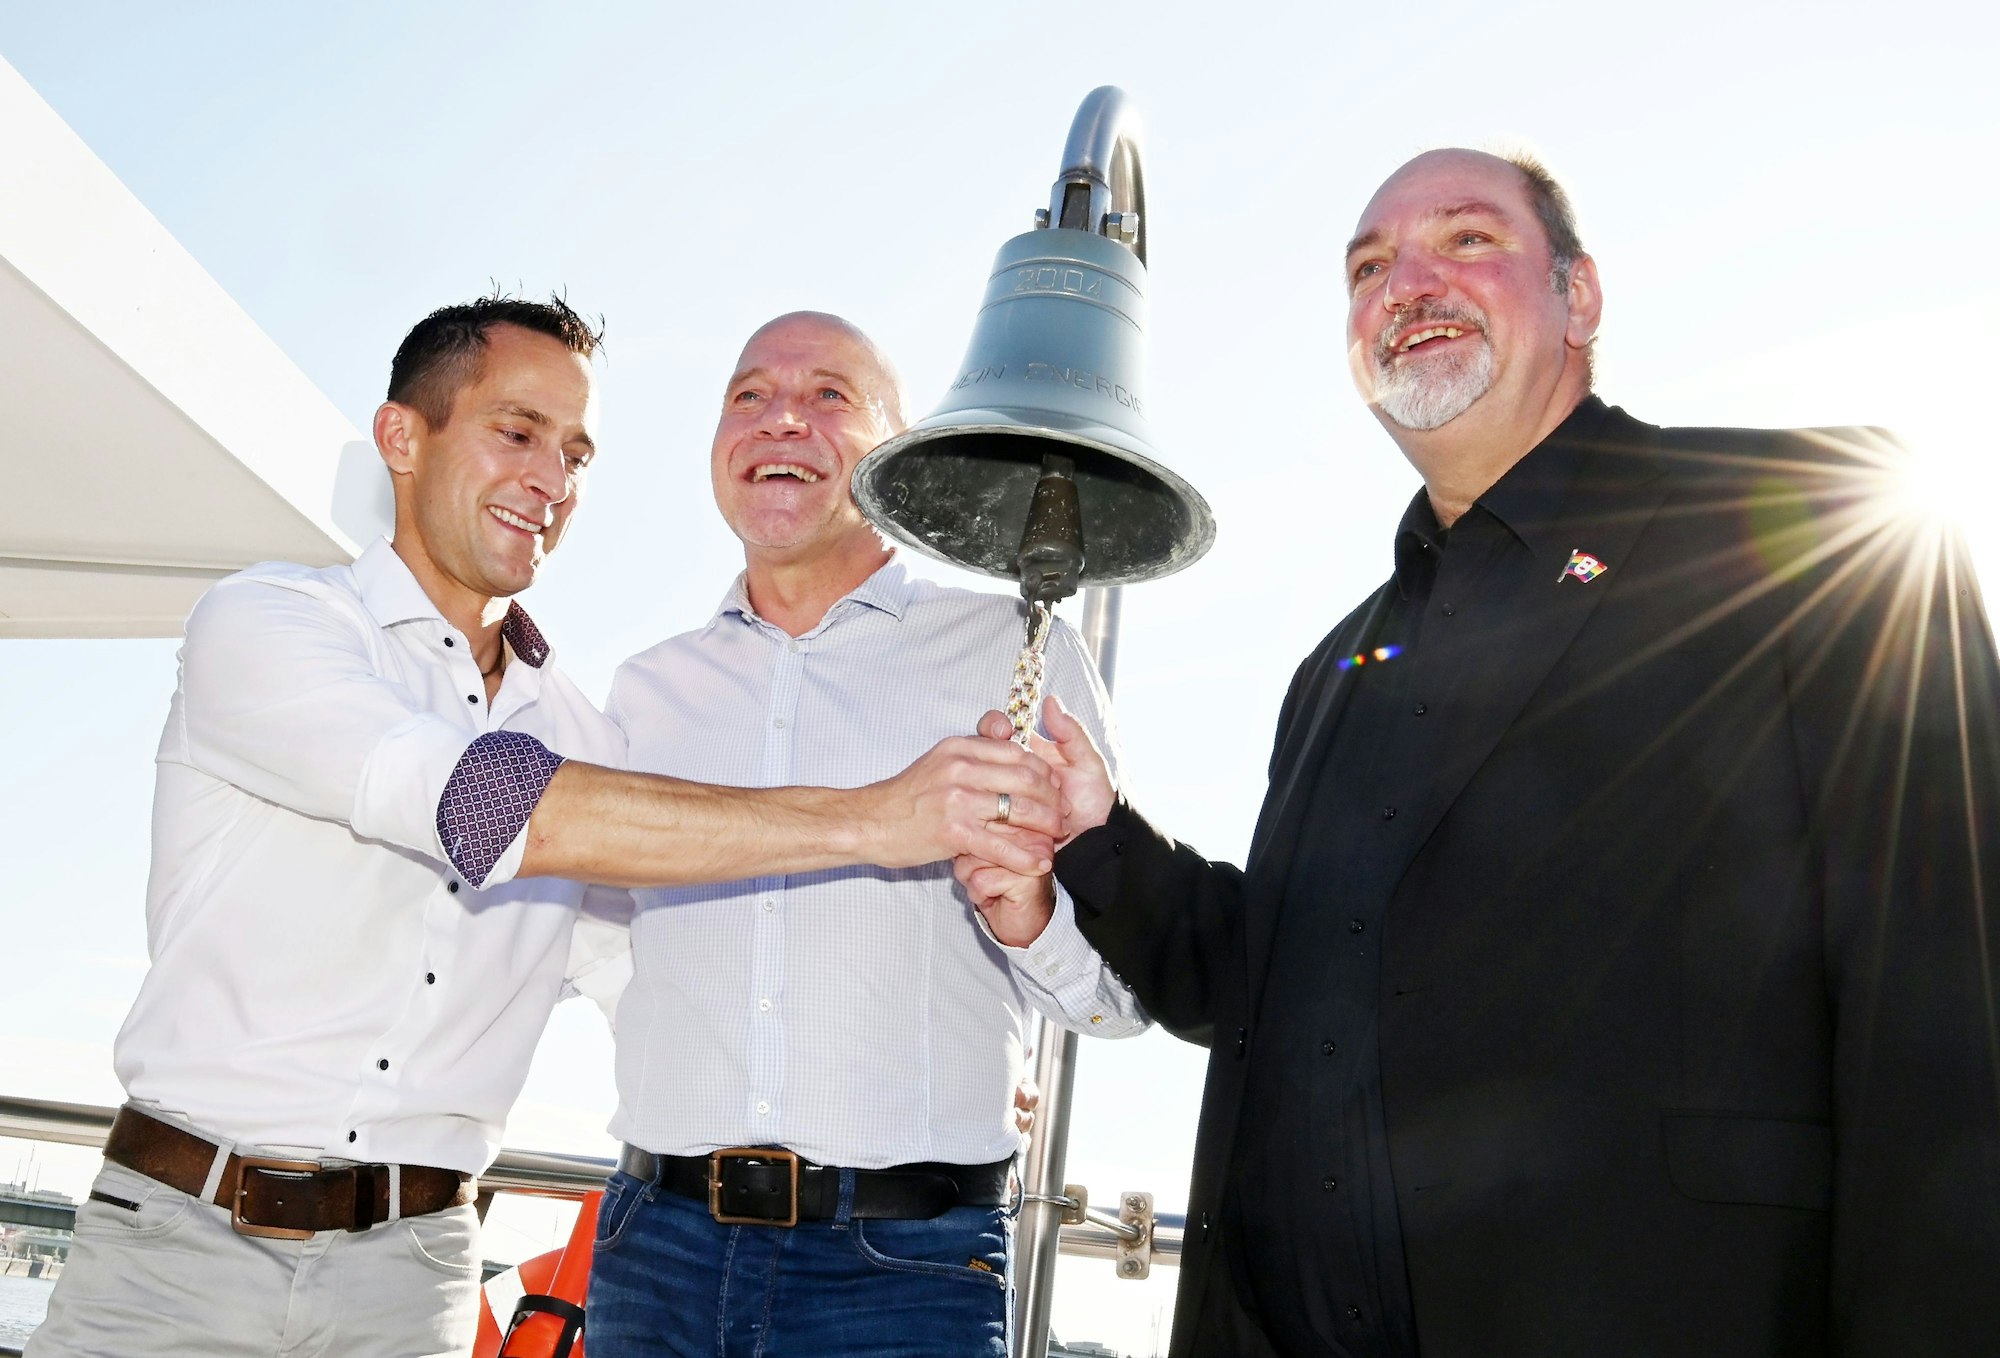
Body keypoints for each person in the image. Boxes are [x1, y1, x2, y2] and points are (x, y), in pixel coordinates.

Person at [960, 149, 2000, 1356]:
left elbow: (1947, 1010)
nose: (1404, 283)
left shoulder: (1823, 520)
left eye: (1464, 240)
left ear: (1579, 296)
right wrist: (1097, 834)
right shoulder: (1332, 669)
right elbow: (1273, 987)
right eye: (1365, 266)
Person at [29, 297, 1063, 1358]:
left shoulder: (587, 730)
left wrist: (923, 1060)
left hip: (413, 1278)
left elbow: (659, 974)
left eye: (575, 452)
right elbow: (466, 801)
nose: (551, 480)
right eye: (516, 433)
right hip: (174, 1253)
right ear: (401, 436)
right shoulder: (269, 623)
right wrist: (873, 818)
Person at [585, 312, 1148, 1358]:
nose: (779, 418)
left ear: (895, 450)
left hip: (901, 1274)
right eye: (746, 395)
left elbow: (1119, 997)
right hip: (652, 1250)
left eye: (828, 394)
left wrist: (1023, 916)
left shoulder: (1018, 658)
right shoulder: (646, 690)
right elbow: (594, 936)